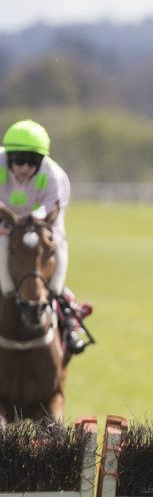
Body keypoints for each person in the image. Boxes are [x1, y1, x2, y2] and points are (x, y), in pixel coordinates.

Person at [0, 119, 89, 355]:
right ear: (9, 156)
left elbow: (55, 224)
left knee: (58, 250)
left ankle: (69, 320)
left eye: (33, 162)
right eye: (19, 160)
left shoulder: (54, 177)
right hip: (4, 225)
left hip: (39, 225)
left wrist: (35, 231)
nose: (25, 168)